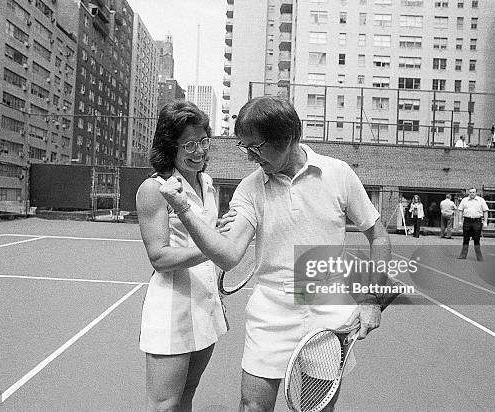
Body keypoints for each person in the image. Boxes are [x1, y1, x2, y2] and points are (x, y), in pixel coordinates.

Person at [159, 96, 391, 412]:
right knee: (252, 406)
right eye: (245, 147)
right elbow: (228, 256)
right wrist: (184, 209)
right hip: (270, 311)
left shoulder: (339, 173)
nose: (251, 156)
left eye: (257, 147)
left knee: (317, 408)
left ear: (289, 137)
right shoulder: (249, 188)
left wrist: (370, 301)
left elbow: (377, 235)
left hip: (327, 311)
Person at [135, 101, 228, 411]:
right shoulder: (155, 188)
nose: (198, 151)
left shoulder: (207, 184)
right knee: (164, 404)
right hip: (171, 308)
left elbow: (206, 231)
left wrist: (219, 230)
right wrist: (213, 246)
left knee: (187, 393)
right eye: (189, 144)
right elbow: (159, 258)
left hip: (206, 305)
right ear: (168, 146)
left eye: (203, 141)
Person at [457, 187, 489, 261]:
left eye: (473, 192)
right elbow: (460, 211)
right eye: (470, 192)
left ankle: (479, 257)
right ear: (469, 193)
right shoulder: (464, 200)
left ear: (476, 193)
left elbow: (485, 211)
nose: (472, 193)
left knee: (477, 239)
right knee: (465, 238)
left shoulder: (481, 200)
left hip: (477, 221)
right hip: (467, 221)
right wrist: (460, 221)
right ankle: (463, 255)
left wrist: (485, 222)